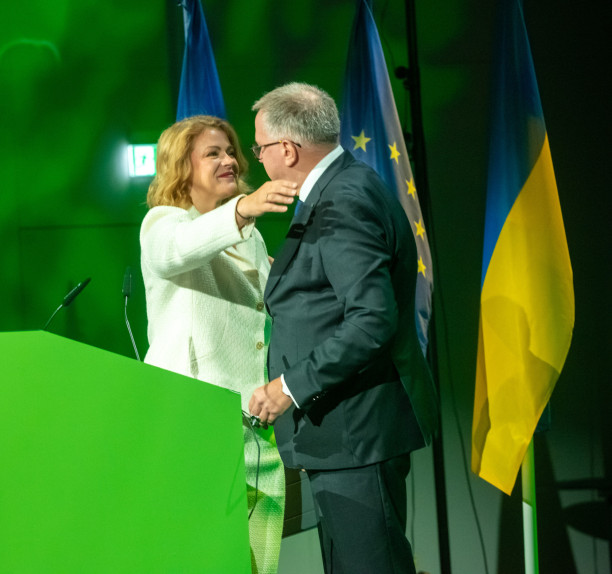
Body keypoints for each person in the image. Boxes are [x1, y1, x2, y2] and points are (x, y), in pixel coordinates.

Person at [247, 82, 440, 574]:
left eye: (259, 148)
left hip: (356, 432)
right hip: (343, 435)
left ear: (287, 149)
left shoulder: (344, 197)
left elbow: (371, 321)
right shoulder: (340, 189)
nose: (258, 159)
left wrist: (289, 387)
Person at [140, 115, 298, 573]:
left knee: (258, 563)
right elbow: (180, 249)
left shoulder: (250, 238)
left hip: (254, 430)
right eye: (213, 153)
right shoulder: (163, 224)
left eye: (231, 151)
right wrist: (244, 208)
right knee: (201, 559)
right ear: (181, 166)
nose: (229, 160)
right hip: (194, 424)